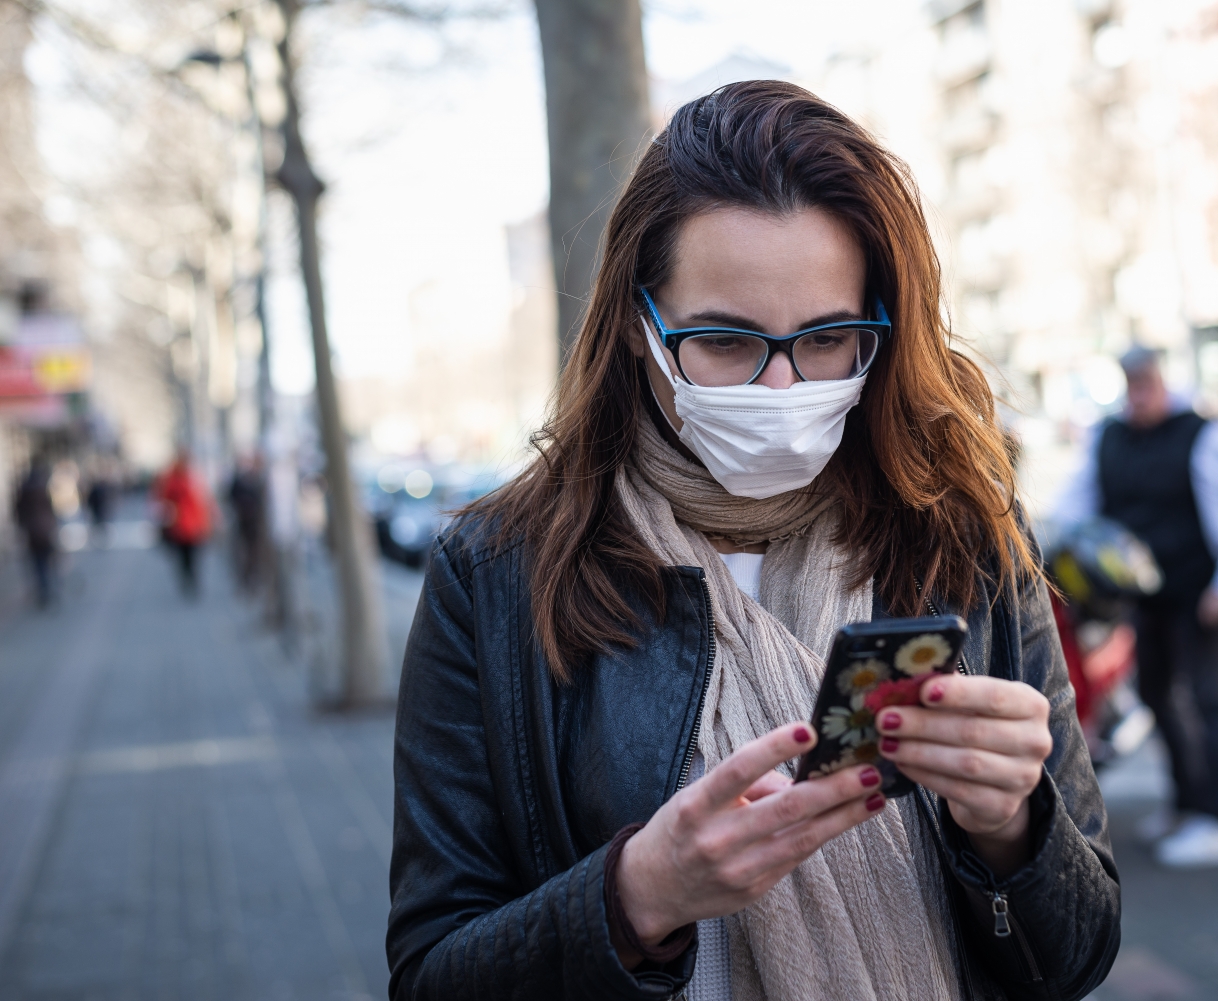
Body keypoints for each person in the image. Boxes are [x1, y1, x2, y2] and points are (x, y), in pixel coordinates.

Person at [387, 82, 1119, 1001]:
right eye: (726, 342)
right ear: (635, 327)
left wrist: (1014, 825)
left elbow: (1081, 952)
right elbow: (429, 974)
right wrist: (635, 896)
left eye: (825, 339)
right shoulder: (495, 572)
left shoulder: (962, 537)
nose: (782, 390)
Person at [1053, 345, 1218, 868]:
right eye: (1131, 379)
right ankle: (1187, 806)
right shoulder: (1109, 435)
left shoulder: (1204, 435)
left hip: (1200, 592)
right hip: (1142, 597)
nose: (1139, 389)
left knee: (1208, 701)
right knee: (1157, 696)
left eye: (1147, 378)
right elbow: (1076, 507)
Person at [153, 449, 214, 598]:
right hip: (179, 525)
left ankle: (192, 580)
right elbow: (162, 499)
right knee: (183, 557)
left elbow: (205, 500)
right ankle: (187, 580)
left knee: (194, 556)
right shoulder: (172, 479)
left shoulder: (195, 477)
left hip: (195, 525)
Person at [13, 460, 58, 608]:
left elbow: (18, 513)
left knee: (38, 563)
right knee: (46, 561)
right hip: (45, 531)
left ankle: (43, 589)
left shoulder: (24, 490)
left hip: (32, 532)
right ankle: (47, 588)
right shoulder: (42, 489)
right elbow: (50, 510)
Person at [227, 452, 267, 592]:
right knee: (246, 552)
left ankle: (253, 578)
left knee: (255, 553)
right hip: (244, 522)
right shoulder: (240, 480)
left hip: (256, 523)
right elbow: (231, 498)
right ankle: (247, 579)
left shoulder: (257, 479)